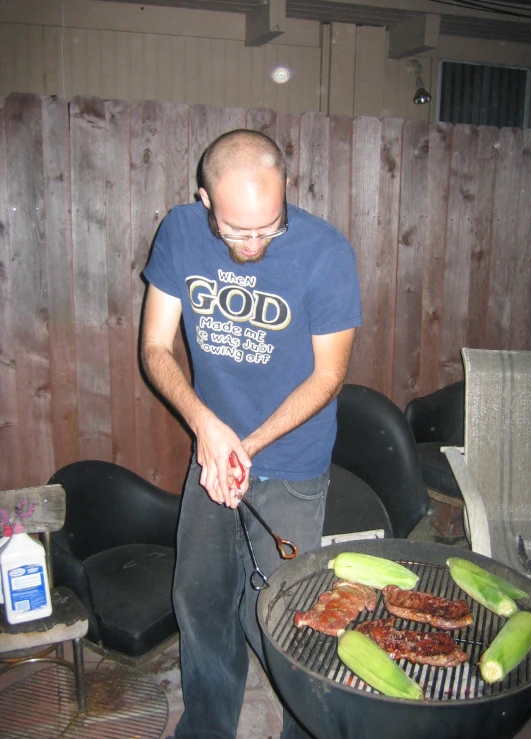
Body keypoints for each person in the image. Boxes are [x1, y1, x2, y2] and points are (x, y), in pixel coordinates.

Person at [141, 129, 362, 739]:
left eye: (271, 225)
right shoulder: (181, 234)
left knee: (289, 620)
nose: (257, 243)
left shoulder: (325, 252)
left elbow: (329, 375)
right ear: (205, 201)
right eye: (239, 232)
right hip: (212, 455)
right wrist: (208, 427)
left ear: (285, 190)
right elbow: (156, 349)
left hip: (291, 460)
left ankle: (307, 729)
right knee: (203, 603)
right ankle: (208, 726)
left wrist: (248, 444)